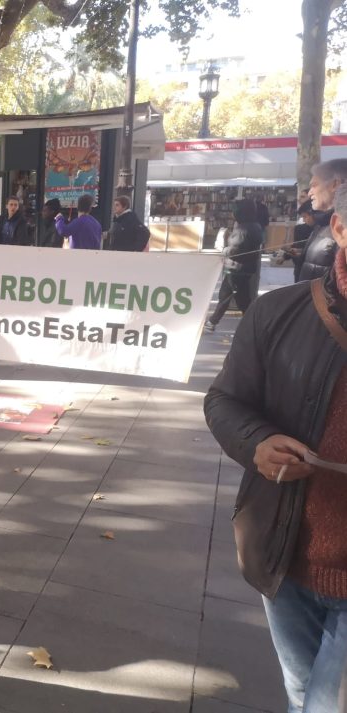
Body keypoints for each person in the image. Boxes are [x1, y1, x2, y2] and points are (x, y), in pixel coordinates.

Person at [204, 180, 347, 713]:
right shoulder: (277, 314)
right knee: (300, 696)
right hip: (285, 559)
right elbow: (224, 401)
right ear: (338, 227)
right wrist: (257, 443)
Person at [205, 198, 264, 332]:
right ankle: (213, 321)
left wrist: (223, 250)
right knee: (232, 296)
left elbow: (235, 250)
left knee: (236, 298)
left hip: (237, 268)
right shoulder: (255, 225)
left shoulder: (243, 228)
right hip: (244, 268)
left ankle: (254, 324)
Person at [299, 159, 347, 282]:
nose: (310, 193)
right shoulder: (322, 223)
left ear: (335, 184)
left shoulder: (342, 225)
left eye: (314, 185)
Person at [287, 201, 316, 283]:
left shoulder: (320, 229)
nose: (304, 219)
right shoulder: (299, 228)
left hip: (313, 272)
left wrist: (301, 251)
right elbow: (296, 245)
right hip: (300, 266)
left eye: (305, 217)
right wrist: (287, 255)